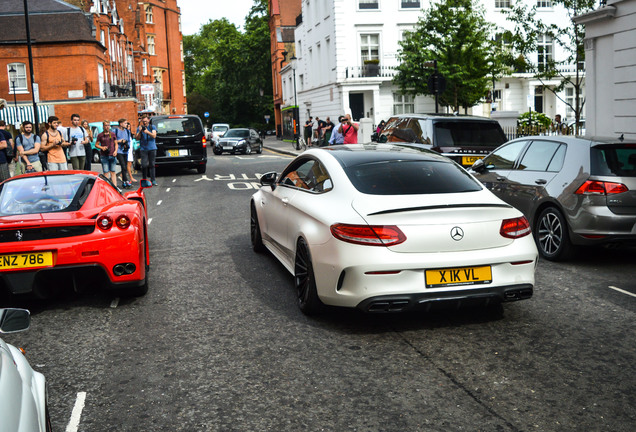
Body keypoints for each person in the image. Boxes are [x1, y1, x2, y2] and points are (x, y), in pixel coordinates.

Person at [135, 115, 157, 186]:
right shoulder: (139, 128)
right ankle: (144, 180)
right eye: (143, 121)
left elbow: (154, 136)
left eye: (146, 121)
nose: (145, 123)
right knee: (144, 165)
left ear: (148, 120)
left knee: (152, 164)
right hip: (143, 149)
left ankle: (153, 180)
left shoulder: (152, 127)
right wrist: (140, 131)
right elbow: (137, 138)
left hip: (152, 148)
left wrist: (147, 132)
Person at [114, 118, 132, 188]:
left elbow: (129, 140)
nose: (126, 124)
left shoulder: (127, 131)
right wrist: (120, 141)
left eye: (127, 123)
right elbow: (113, 141)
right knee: (123, 165)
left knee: (124, 166)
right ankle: (126, 180)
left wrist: (127, 145)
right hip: (118, 150)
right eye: (125, 123)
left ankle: (124, 181)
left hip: (125, 151)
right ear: (121, 124)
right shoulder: (116, 131)